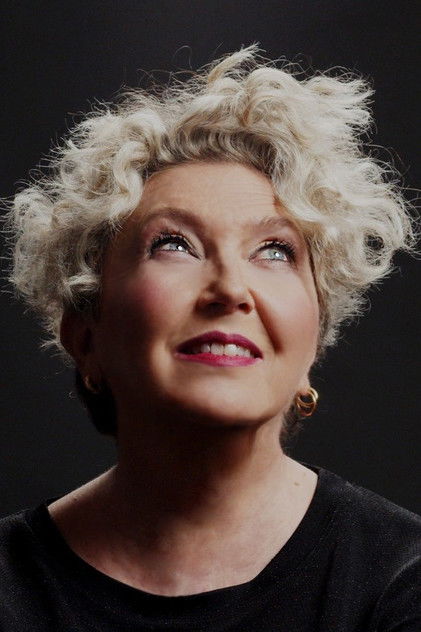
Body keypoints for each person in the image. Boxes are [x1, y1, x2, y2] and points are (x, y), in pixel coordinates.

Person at [1, 45, 419, 631]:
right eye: (174, 245)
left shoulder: (401, 580)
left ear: (313, 342)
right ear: (86, 336)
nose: (231, 289)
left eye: (275, 251)